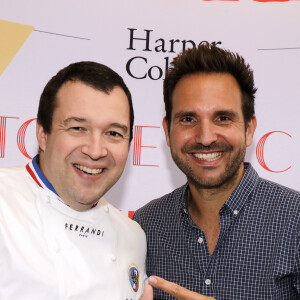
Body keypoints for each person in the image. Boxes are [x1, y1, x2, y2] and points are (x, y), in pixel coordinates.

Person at [134, 44, 300, 299]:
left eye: (223, 118)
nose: (206, 137)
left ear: (249, 129)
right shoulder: (145, 226)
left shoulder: (295, 219)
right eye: (188, 119)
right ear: (167, 131)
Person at [0, 61, 147, 300]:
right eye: (78, 128)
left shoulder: (133, 236)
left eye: (113, 133)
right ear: (42, 134)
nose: (96, 150)